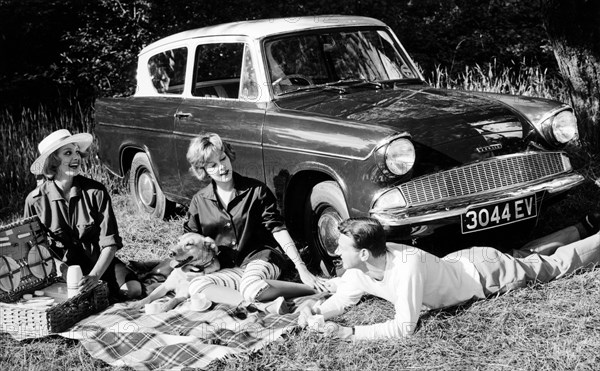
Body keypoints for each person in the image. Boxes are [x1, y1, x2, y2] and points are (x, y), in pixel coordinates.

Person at [299, 216, 600, 340]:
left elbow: (404, 327)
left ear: (364, 253)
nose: (336, 250)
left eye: (342, 246)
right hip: (464, 260)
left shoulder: (406, 267)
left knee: (551, 267)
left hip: (485, 274)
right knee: (524, 257)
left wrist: (349, 333)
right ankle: (581, 227)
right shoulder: (360, 268)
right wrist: (316, 311)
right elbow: (343, 298)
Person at [183, 132, 328, 307]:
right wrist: (188, 265)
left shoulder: (256, 190)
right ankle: (256, 306)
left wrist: (301, 268)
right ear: (203, 170)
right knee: (196, 285)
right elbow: (190, 239)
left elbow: (278, 228)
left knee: (250, 287)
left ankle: (309, 289)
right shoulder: (199, 201)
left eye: (223, 159)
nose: (221, 167)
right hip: (230, 266)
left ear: (229, 156)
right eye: (212, 165)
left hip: (262, 257)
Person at [24, 129, 142, 302]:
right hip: (62, 270)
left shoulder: (96, 192)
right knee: (65, 301)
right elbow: (34, 248)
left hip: (99, 263)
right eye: (68, 153)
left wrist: (95, 276)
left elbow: (110, 243)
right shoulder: (35, 201)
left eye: (77, 152)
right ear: (53, 161)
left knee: (133, 290)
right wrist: (61, 269)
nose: (76, 157)